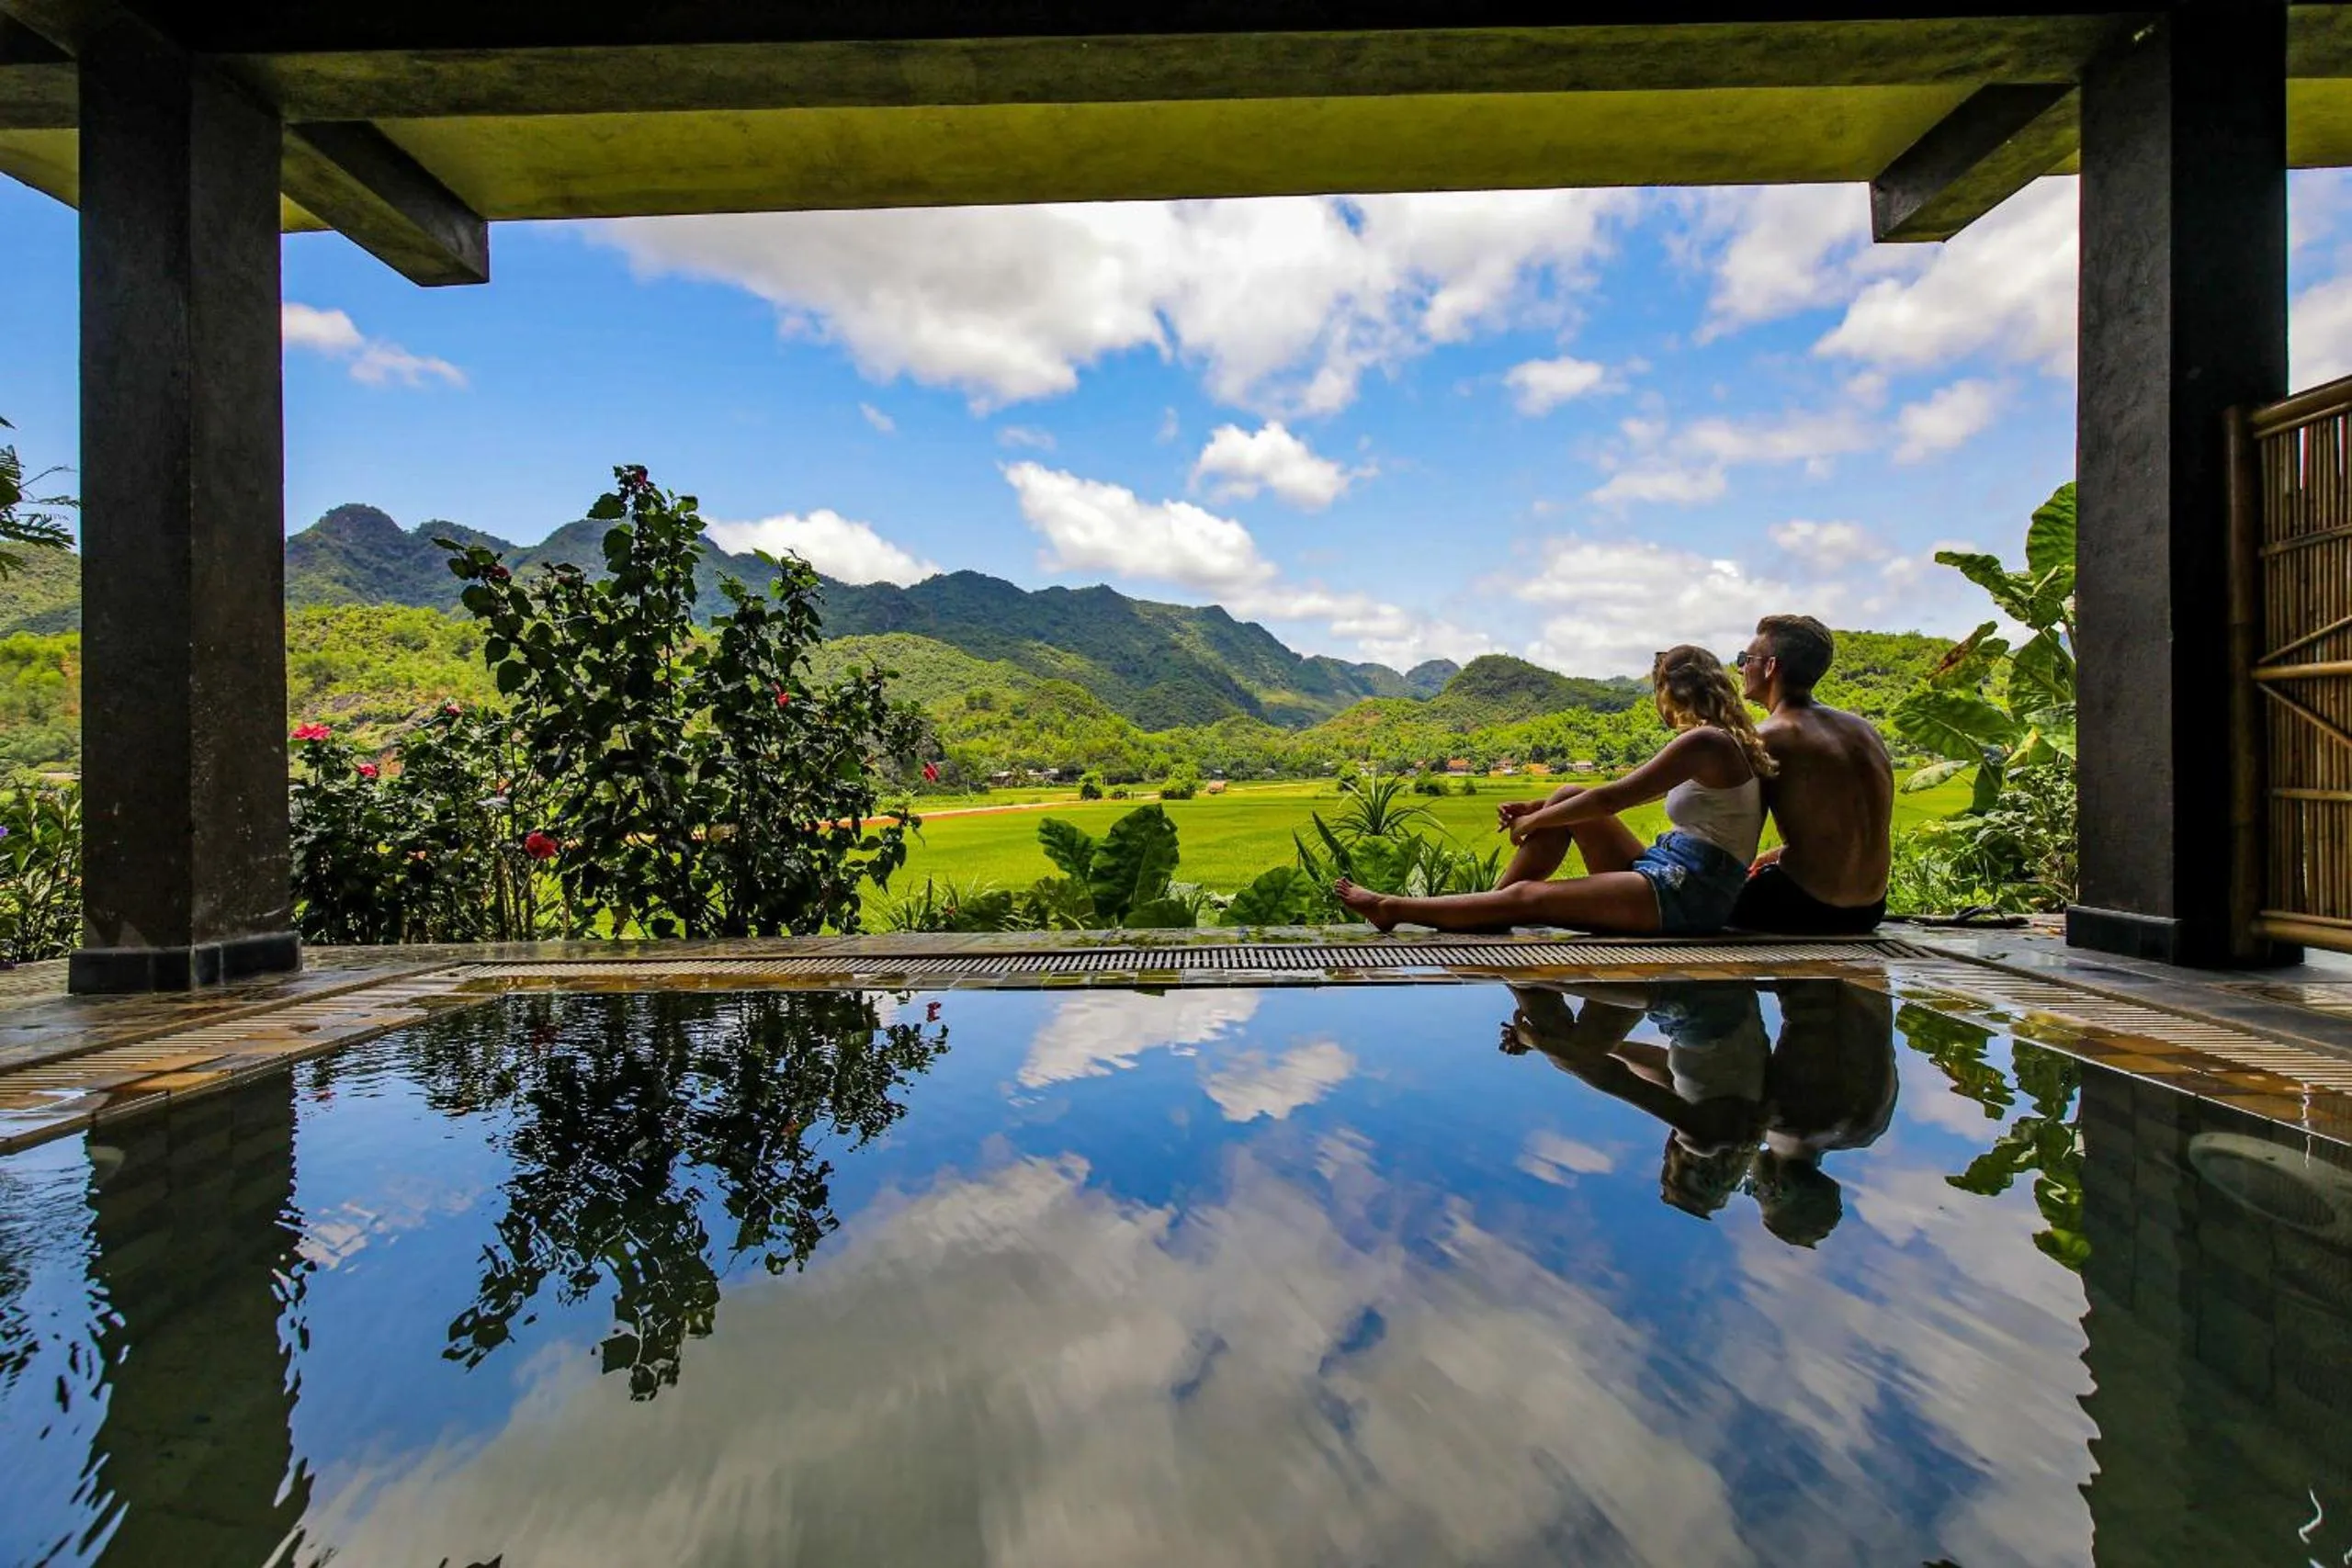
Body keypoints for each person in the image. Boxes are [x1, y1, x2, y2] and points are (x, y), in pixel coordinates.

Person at [1334, 645, 1772, 935]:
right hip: (1673, 868)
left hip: (1691, 894)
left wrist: (1533, 820)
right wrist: (1542, 805)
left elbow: (1613, 798)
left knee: (1531, 897)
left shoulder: (1705, 741)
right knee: (1565, 794)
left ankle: (1395, 908)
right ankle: (1491, 910)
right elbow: (1613, 794)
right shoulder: (1716, 740)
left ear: (1670, 692)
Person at [1726, 615, 1894, 935]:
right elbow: (1842, 833)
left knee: (1685, 901)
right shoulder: (1864, 730)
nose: (1740, 668)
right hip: (1871, 908)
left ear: (1770, 667)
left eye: (1745, 660)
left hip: (1801, 905)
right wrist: (1774, 856)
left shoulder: (1768, 736)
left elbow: (1731, 839)